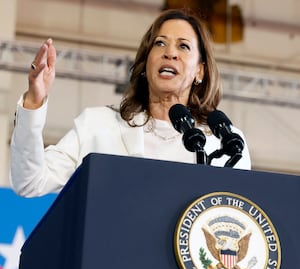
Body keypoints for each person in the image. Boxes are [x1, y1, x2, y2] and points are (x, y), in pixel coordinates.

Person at [10, 8, 251, 197]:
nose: (170, 53)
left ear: (200, 71)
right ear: (146, 64)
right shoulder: (98, 125)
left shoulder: (225, 142)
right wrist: (34, 101)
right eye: (160, 43)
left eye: (183, 46)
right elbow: (30, 182)